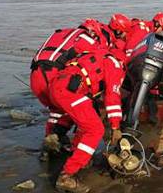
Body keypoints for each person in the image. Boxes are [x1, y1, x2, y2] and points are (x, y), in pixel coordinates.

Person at [50, 49, 125, 193]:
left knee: (86, 124)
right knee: (95, 130)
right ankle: (67, 175)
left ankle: (77, 155)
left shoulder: (97, 56)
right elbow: (112, 96)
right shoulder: (115, 65)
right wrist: (115, 126)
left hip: (58, 86)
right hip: (68, 91)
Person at [30, 18, 108, 145]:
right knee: (72, 105)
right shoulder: (87, 39)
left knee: (55, 109)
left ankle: (50, 138)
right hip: (52, 74)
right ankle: (61, 138)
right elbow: (97, 58)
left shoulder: (61, 33)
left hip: (35, 74)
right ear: (93, 32)